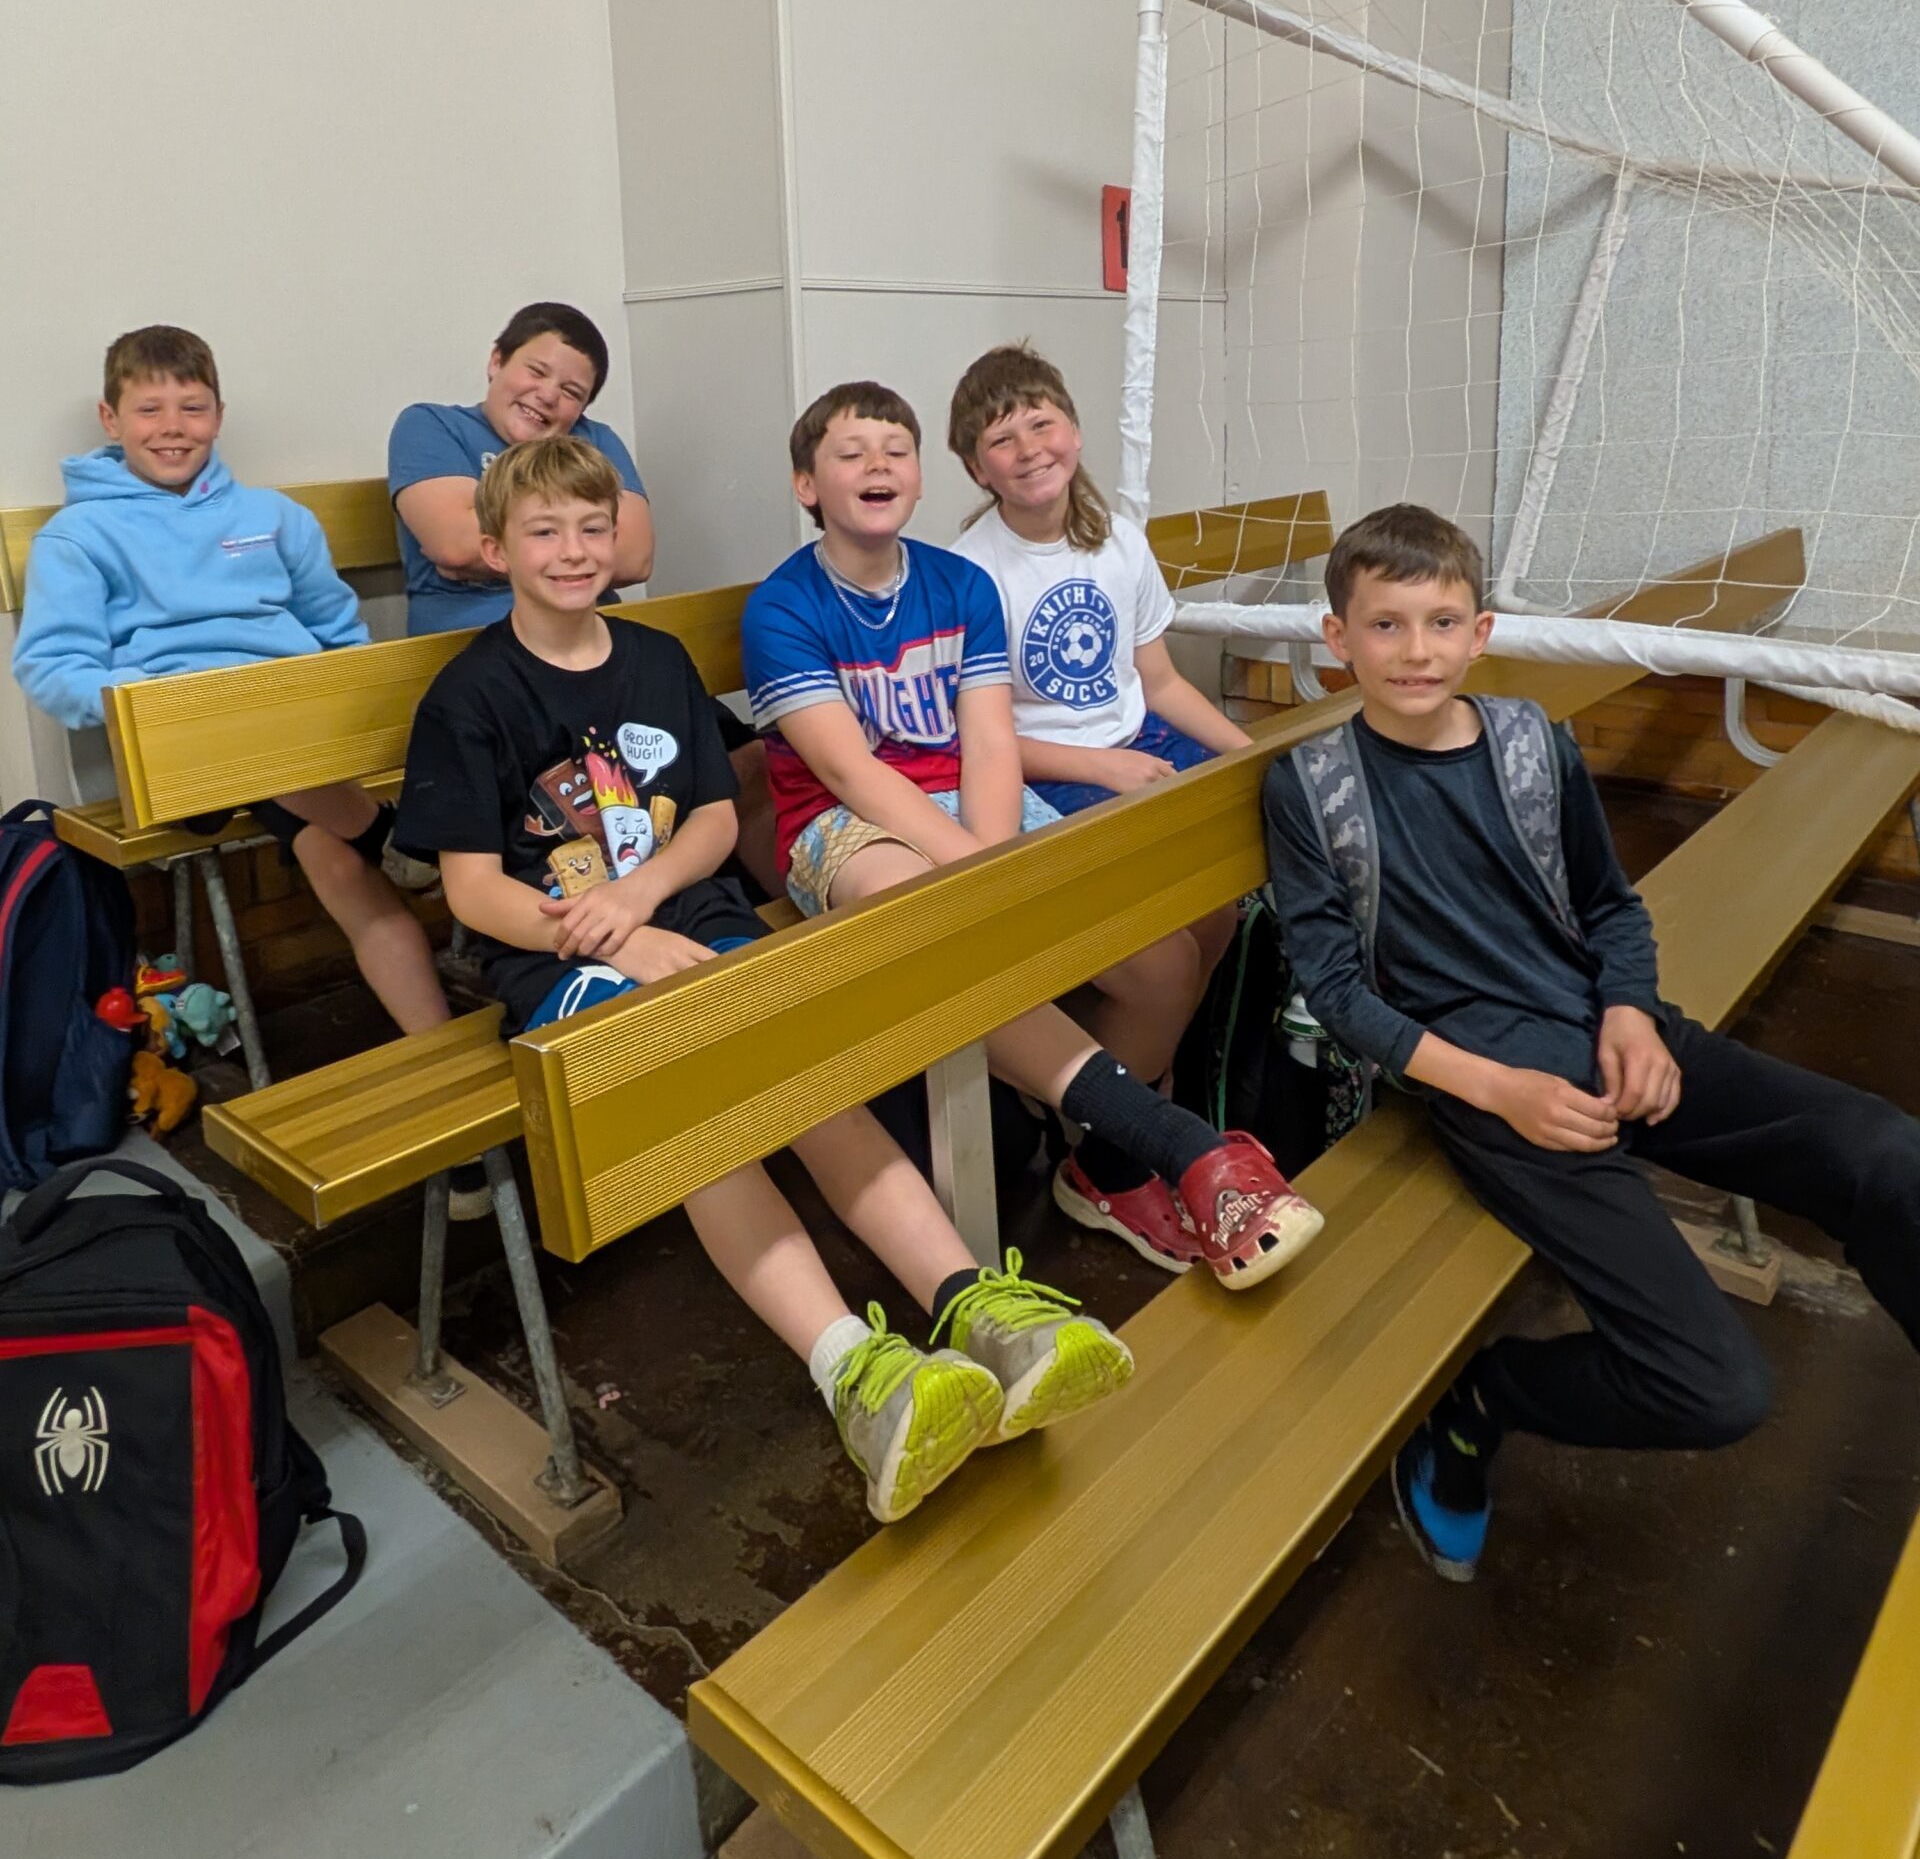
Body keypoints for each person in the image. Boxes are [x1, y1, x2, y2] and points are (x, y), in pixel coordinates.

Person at [394, 433, 1135, 1522]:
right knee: (706, 1096)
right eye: (545, 532)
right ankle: (856, 1370)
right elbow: (469, 890)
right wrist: (613, 938)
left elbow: (706, 818)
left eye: (594, 527)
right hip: (563, 960)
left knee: (806, 1073)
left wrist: (646, 898)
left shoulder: (655, 661)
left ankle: (978, 1304)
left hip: (693, 921)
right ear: (498, 549)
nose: (574, 549)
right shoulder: (470, 696)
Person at [1262, 501, 1920, 1583]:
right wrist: (1496, 1090)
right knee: (1718, 1390)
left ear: (1480, 632)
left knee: (1887, 1153)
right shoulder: (1310, 786)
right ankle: (1483, 1401)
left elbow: (1611, 907)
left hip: (1621, 1044)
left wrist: (1629, 1013)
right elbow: (1334, 989)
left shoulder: (1531, 741)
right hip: (1506, 1098)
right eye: (1385, 625)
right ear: (1338, 638)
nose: (1416, 651)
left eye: (1442, 622)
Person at [739, 379, 1324, 1291]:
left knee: (1165, 962)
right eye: (851, 454)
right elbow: (851, 773)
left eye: (896, 450)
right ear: (807, 485)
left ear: (922, 477)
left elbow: (987, 741)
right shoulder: (782, 607)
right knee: (928, 912)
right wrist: (980, 871)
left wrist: (994, 850)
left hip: (977, 809)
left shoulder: (959, 585)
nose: (878, 465)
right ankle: (1174, 1146)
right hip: (846, 826)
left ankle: (1100, 1162)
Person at [13, 325, 449, 1040]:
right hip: (173, 751)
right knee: (288, 769)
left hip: (297, 742)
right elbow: (53, 667)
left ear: (218, 415)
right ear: (110, 419)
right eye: (150, 409)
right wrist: (154, 701)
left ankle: (435, 1042)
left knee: (338, 863)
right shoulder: (78, 537)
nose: (173, 427)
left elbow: (339, 634)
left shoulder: (273, 518)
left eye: (192, 408)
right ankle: (397, 839)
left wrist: (342, 704)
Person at [947, 342, 1250, 1270]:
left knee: (1221, 906)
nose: (1029, 449)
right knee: (1163, 951)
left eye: (1042, 424)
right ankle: (1116, 1146)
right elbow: (981, 737)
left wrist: (1247, 754)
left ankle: (1130, 1092)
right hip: (1048, 772)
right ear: (976, 468)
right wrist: (1103, 767)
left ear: (1074, 431)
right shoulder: (971, 571)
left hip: (1138, 743)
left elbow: (1159, 682)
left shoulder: (1117, 535)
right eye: (1001, 440)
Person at [388, 300, 776, 894]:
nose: (548, 397)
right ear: (496, 361)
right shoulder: (434, 426)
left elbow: (636, 557)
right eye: (535, 371)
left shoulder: (595, 441)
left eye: (572, 391)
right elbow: (455, 543)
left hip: (609, 667)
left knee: (753, 757)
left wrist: (525, 544)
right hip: (498, 677)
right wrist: (540, 551)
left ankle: (751, 908)